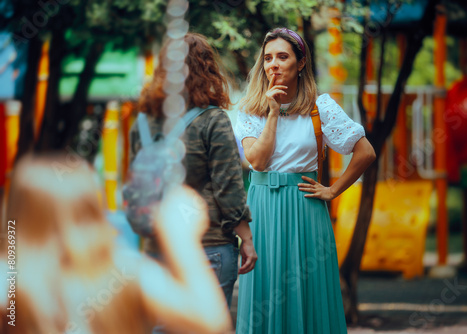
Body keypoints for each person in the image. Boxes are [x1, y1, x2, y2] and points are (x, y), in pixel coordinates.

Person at [234, 28, 376, 333]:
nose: (273, 64)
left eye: (282, 57)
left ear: (300, 64)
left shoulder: (320, 106)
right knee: (264, 290)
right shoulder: (249, 111)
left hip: (305, 208)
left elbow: (366, 153)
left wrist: (334, 190)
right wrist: (272, 112)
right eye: (268, 58)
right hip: (262, 211)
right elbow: (257, 161)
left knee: (308, 295)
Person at [0, 154, 232, 333]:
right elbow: (210, 319)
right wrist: (181, 239)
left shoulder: (11, 281)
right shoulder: (122, 273)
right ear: (92, 212)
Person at [130, 32, 257, 307]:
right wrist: (246, 238)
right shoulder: (213, 120)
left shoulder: (142, 122)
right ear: (207, 69)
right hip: (207, 246)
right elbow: (229, 189)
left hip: (157, 247)